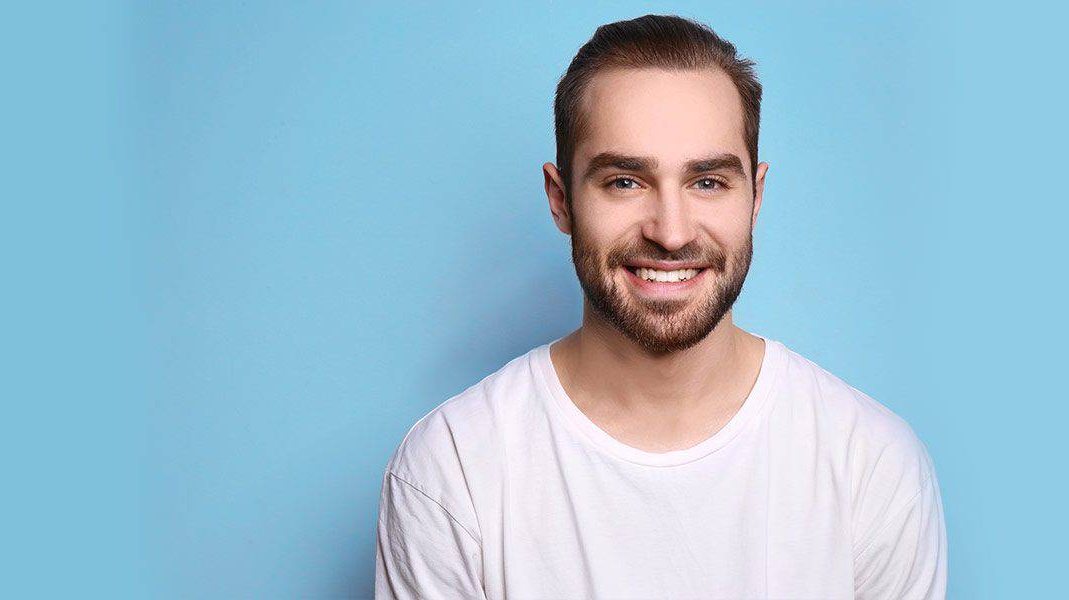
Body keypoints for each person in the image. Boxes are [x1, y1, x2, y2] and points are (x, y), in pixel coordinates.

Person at [375, 14, 946, 600]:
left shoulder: (871, 464)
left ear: (756, 197)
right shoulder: (452, 470)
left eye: (708, 182)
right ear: (561, 200)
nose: (671, 233)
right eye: (625, 182)